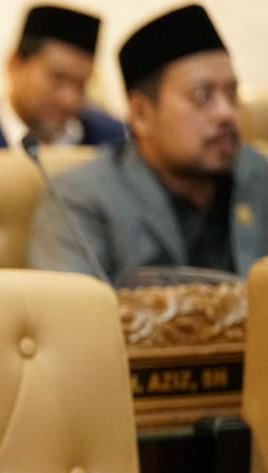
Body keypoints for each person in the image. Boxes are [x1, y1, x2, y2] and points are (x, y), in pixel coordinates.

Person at [28, 4, 268, 285]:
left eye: (231, 94)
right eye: (202, 97)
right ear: (141, 114)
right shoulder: (82, 200)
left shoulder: (258, 174)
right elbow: (71, 308)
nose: (226, 113)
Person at [0, 4, 126, 153]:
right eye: (57, 80)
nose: (70, 100)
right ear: (15, 65)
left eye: (81, 85)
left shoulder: (116, 143)